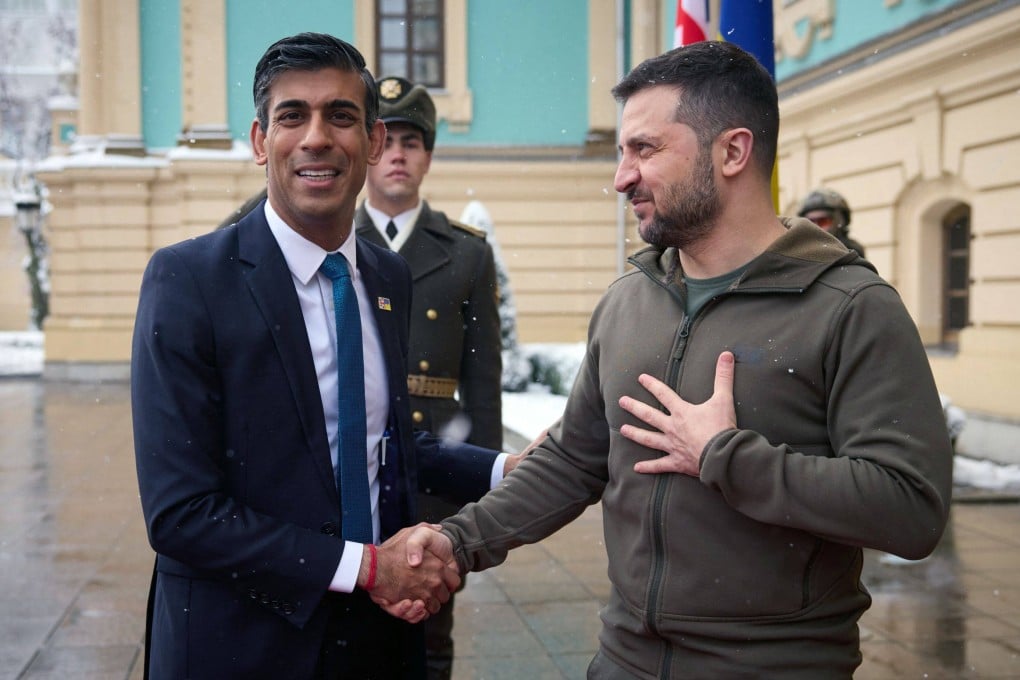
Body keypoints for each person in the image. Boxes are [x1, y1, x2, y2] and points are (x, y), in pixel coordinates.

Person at [395, 41, 954, 678]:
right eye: (621, 151)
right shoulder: (628, 301)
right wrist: (455, 541)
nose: (620, 176)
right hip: (623, 660)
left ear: (733, 152)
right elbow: (575, 460)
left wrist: (728, 457)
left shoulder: (851, 306)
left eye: (646, 149)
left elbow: (912, 509)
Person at [131, 32, 519, 679]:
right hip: (241, 642)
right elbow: (181, 513)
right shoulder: (189, 280)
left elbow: (379, 440)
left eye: (341, 116)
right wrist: (365, 566)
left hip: (375, 641)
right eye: (293, 116)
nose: (317, 137)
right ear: (260, 141)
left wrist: (513, 467)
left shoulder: (385, 278)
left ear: (369, 142)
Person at [354, 75, 502, 680]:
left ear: (429, 156)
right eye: (385, 140)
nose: (397, 154)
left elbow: (483, 378)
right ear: (367, 149)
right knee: (350, 627)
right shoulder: (331, 237)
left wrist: (485, 494)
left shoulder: (466, 252)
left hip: (436, 462)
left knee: (429, 630)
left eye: (412, 142)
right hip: (357, 461)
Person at [797, 187, 867, 257]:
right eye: (810, 223)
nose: (816, 228)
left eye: (823, 221)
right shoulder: (797, 254)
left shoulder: (852, 255)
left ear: (840, 222)